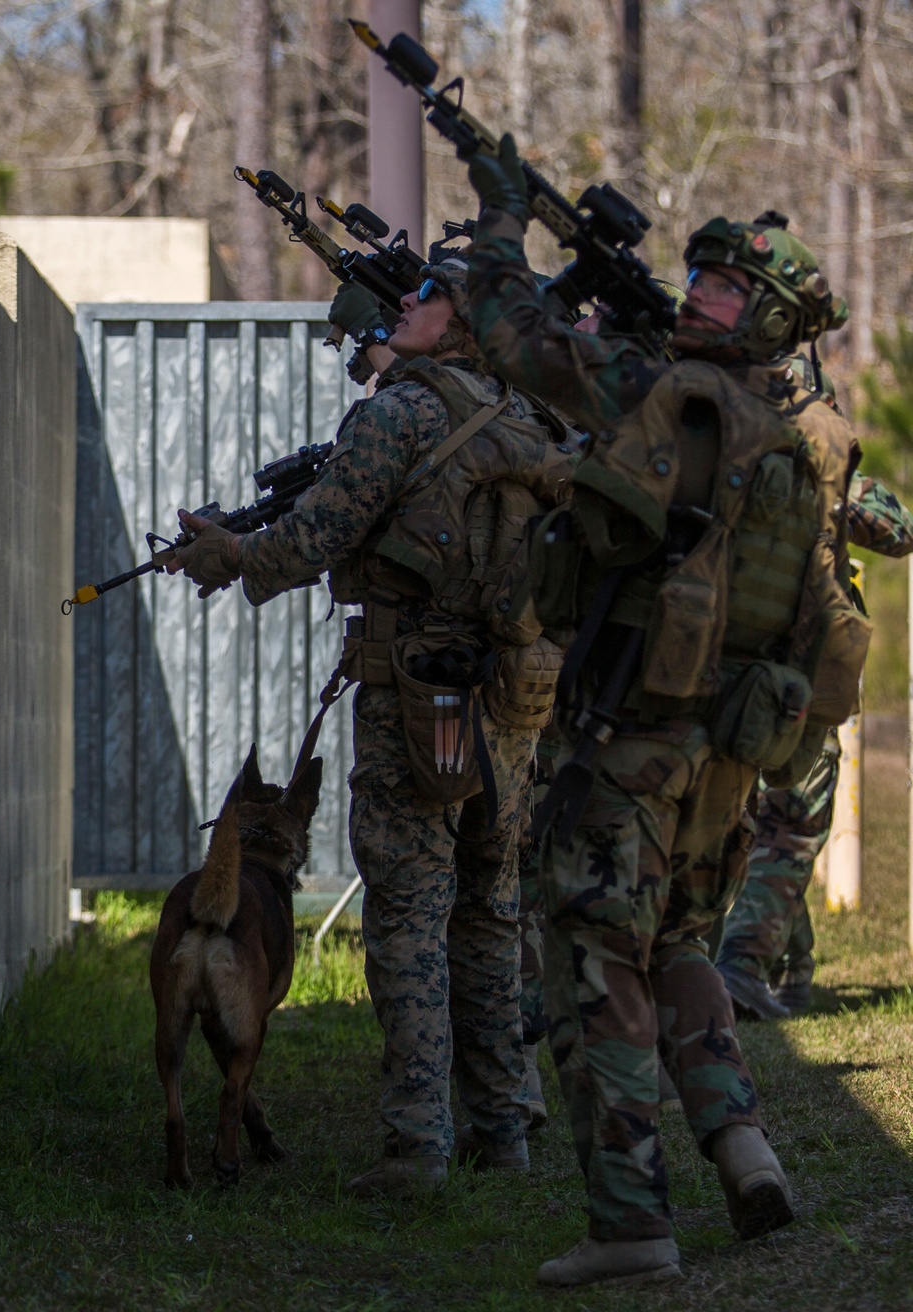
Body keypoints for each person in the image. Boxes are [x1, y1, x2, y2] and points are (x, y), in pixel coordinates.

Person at [460, 134, 861, 1287]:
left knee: (592, 966)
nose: (701, 290)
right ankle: (741, 1146)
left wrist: (499, 221)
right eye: (702, 272)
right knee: (678, 940)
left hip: (629, 750)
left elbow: (510, 333)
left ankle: (631, 1218)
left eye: (730, 284)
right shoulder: (782, 443)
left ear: (771, 319)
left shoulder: (661, 395)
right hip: (719, 764)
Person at [165, 257, 580, 1195]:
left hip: (417, 695)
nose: (408, 304)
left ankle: (417, 1148)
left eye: (430, 294)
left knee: (408, 915)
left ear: (461, 320)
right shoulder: (531, 420)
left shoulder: (404, 411)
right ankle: (503, 1132)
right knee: (490, 909)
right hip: (515, 692)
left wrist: (230, 552)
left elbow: (315, 537)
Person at [718, 461, 913, 1019]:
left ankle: (784, 965)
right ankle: (742, 966)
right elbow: (897, 526)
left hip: (722, 670)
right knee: (788, 826)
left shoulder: (700, 440)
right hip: (788, 677)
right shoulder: (808, 464)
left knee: (758, 827)